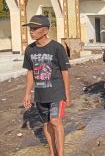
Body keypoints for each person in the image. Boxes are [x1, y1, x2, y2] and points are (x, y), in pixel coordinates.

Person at [22, 15, 71, 156]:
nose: (31, 31)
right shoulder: (29, 50)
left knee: (55, 121)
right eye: (30, 29)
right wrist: (27, 93)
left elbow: (64, 71)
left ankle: (60, 153)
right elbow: (30, 73)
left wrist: (67, 93)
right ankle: (52, 151)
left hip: (56, 92)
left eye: (35, 28)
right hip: (40, 94)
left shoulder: (57, 48)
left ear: (45, 30)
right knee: (46, 124)